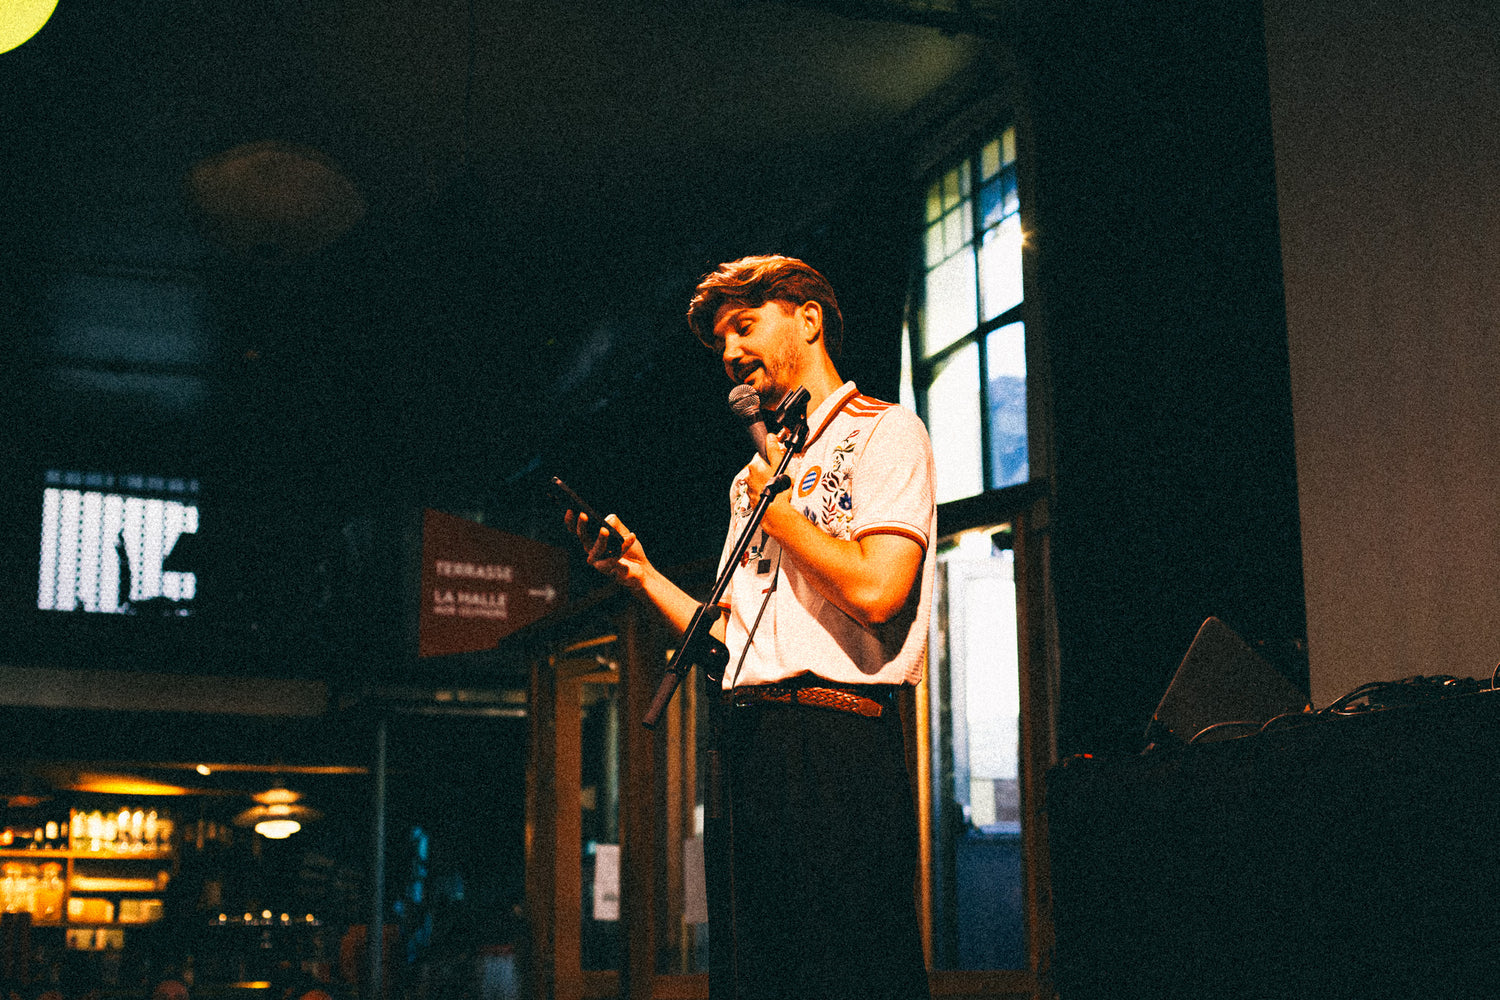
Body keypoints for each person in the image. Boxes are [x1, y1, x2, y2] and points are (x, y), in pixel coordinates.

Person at [568, 254, 935, 999]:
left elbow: (877, 591)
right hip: (745, 739)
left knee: (847, 967)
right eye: (720, 343)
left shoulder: (886, 432)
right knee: (753, 970)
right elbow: (729, 640)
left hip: (837, 740)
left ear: (809, 319)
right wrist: (640, 574)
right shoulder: (755, 477)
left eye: (744, 325)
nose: (730, 352)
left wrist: (782, 508)